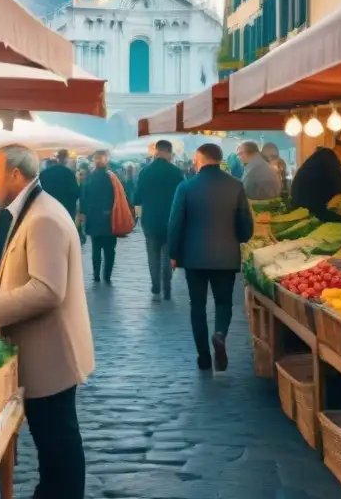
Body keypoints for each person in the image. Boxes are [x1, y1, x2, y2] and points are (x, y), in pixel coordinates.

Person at [0, 145, 93, 499]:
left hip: (52, 349)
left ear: (17, 175)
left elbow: (47, 290)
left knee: (60, 438)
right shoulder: (32, 210)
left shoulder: (44, 218)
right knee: (45, 432)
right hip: (39, 348)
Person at [168, 143, 253, 372]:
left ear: (201, 159)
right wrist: (241, 238)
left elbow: (175, 224)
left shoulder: (185, 187)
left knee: (197, 306)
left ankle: (204, 358)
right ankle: (220, 334)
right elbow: (246, 226)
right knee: (224, 302)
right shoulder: (236, 186)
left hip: (194, 257)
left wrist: (173, 254)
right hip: (226, 256)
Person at [133, 139, 185, 301]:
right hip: (171, 219)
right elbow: (183, 197)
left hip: (150, 220)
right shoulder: (177, 172)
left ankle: (155, 285)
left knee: (153, 254)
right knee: (168, 254)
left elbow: (136, 198)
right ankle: (167, 286)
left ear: (156, 151)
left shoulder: (145, 172)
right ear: (168, 152)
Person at [290, 133, 341, 224]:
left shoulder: (333, 160)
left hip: (314, 214)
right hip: (309, 217)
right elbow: (338, 196)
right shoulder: (326, 160)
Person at [80, 150, 124, 283]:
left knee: (96, 249)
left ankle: (96, 275)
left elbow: (84, 199)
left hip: (94, 219)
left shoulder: (89, 178)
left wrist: (84, 213)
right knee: (110, 250)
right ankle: (107, 275)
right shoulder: (111, 178)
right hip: (109, 219)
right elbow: (118, 197)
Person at [39, 150, 80, 221]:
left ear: (57, 158)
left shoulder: (44, 173)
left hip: (48, 210)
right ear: (66, 159)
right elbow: (76, 193)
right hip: (66, 212)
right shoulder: (69, 174)